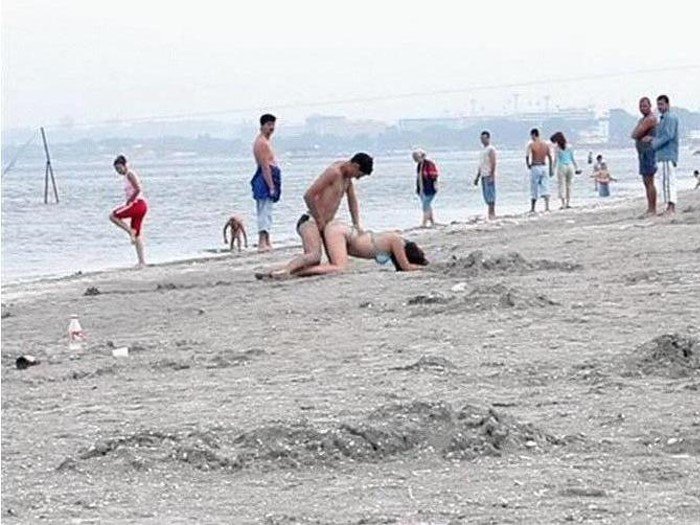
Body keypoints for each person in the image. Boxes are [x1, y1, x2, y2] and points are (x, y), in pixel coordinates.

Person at [255, 153, 374, 279]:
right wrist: (319, 219)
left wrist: (356, 224)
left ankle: (278, 272)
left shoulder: (347, 179)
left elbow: (352, 201)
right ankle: (285, 270)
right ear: (355, 166)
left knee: (331, 264)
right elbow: (309, 195)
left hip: (326, 225)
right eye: (359, 175)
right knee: (314, 256)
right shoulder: (334, 172)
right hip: (310, 220)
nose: (357, 178)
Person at [292, 220, 428, 276]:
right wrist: (426, 269)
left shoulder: (393, 238)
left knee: (326, 264)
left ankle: (296, 270)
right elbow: (406, 267)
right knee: (338, 267)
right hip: (342, 233)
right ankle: (297, 272)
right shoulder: (397, 241)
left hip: (343, 232)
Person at [642, 95, 679, 215]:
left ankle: (671, 207)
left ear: (668, 104)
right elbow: (663, 135)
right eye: (658, 104)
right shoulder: (663, 118)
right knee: (665, 181)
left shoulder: (670, 117)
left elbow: (668, 136)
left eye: (662, 104)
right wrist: (652, 139)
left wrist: (653, 143)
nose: (659, 107)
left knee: (667, 181)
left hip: (667, 155)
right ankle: (669, 207)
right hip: (663, 155)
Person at [109, 155, 148, 268]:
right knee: (137, 235)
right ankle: (142, 262)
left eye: (119, 168)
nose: (118, 171)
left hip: (138, 204)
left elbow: (138, 189)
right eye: (116, 169)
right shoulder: (126, 177)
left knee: (113, 216)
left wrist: (130, 201)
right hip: (140, 206)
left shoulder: (130, 174)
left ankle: (130, 231)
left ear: (125, 165)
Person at [251, 113, 281, 251]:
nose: (271, 128)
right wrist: (271, 186)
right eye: (269, 124)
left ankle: (267, 240)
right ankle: (262, 242)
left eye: (273, 125)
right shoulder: (261, 143)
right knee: (264, 210)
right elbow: (264, 166)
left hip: (270, 176)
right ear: (262, 126)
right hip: (265, 178)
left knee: (267, 210)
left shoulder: (265, 141)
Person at [631, 97, 658, 215]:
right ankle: (650, 208)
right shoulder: (643, 119)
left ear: (650, 106)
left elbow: (635, 134)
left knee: (649, 181)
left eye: (645, 106)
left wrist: (639, 132)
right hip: (643, 153)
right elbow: (635, 133)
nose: (642, 108)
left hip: (648, 153)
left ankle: (652, 209)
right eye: (641, 106)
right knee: (646, 182)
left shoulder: (650, 119)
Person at [550, 131, 581, 209]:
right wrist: (576, 168)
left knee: (561, 185)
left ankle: (563, 203)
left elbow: (555, 160)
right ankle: (568, 203)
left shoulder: (557, 148)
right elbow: (572, 158)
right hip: (570, 166)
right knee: (569, 185)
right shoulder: (569, 146)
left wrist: (552, 169)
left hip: (562, 166)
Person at [526, 128, 553, 213]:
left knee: (534, 187)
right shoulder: (545, 144)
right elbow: (550, 157)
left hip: (535, 166)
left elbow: (527, 156)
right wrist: (551, 168)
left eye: (531, 136)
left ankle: (533, 208)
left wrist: (528, 164)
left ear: (534, 135)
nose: (531, 137)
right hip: (544, 166)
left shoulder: (531, 144)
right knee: (545, 186)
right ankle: (547, 206)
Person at [473, 130, 497, 220]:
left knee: (491, 195)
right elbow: (481, 165)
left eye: (484, 138)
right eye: (481, 138)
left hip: (488, 175)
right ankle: (490, 213)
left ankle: (492, 214)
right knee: (486, 196)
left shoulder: (491, 149)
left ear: (488, 138)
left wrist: (492, 175)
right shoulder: (482, 151)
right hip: (483, 175)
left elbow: (493, 162)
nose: (482, 140)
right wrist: (477, 177)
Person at [412, 149, 439, 227]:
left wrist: (435, 185)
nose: (416, 159)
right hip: (422, 189)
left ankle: (424, 223)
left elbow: (434, 176)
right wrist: (418, 189)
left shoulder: (429, 164)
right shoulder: (419, 165)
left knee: (425, 206)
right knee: (427, 205)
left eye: (417, 157)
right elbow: (419, 178)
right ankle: (432, 222)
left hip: (430, 188)